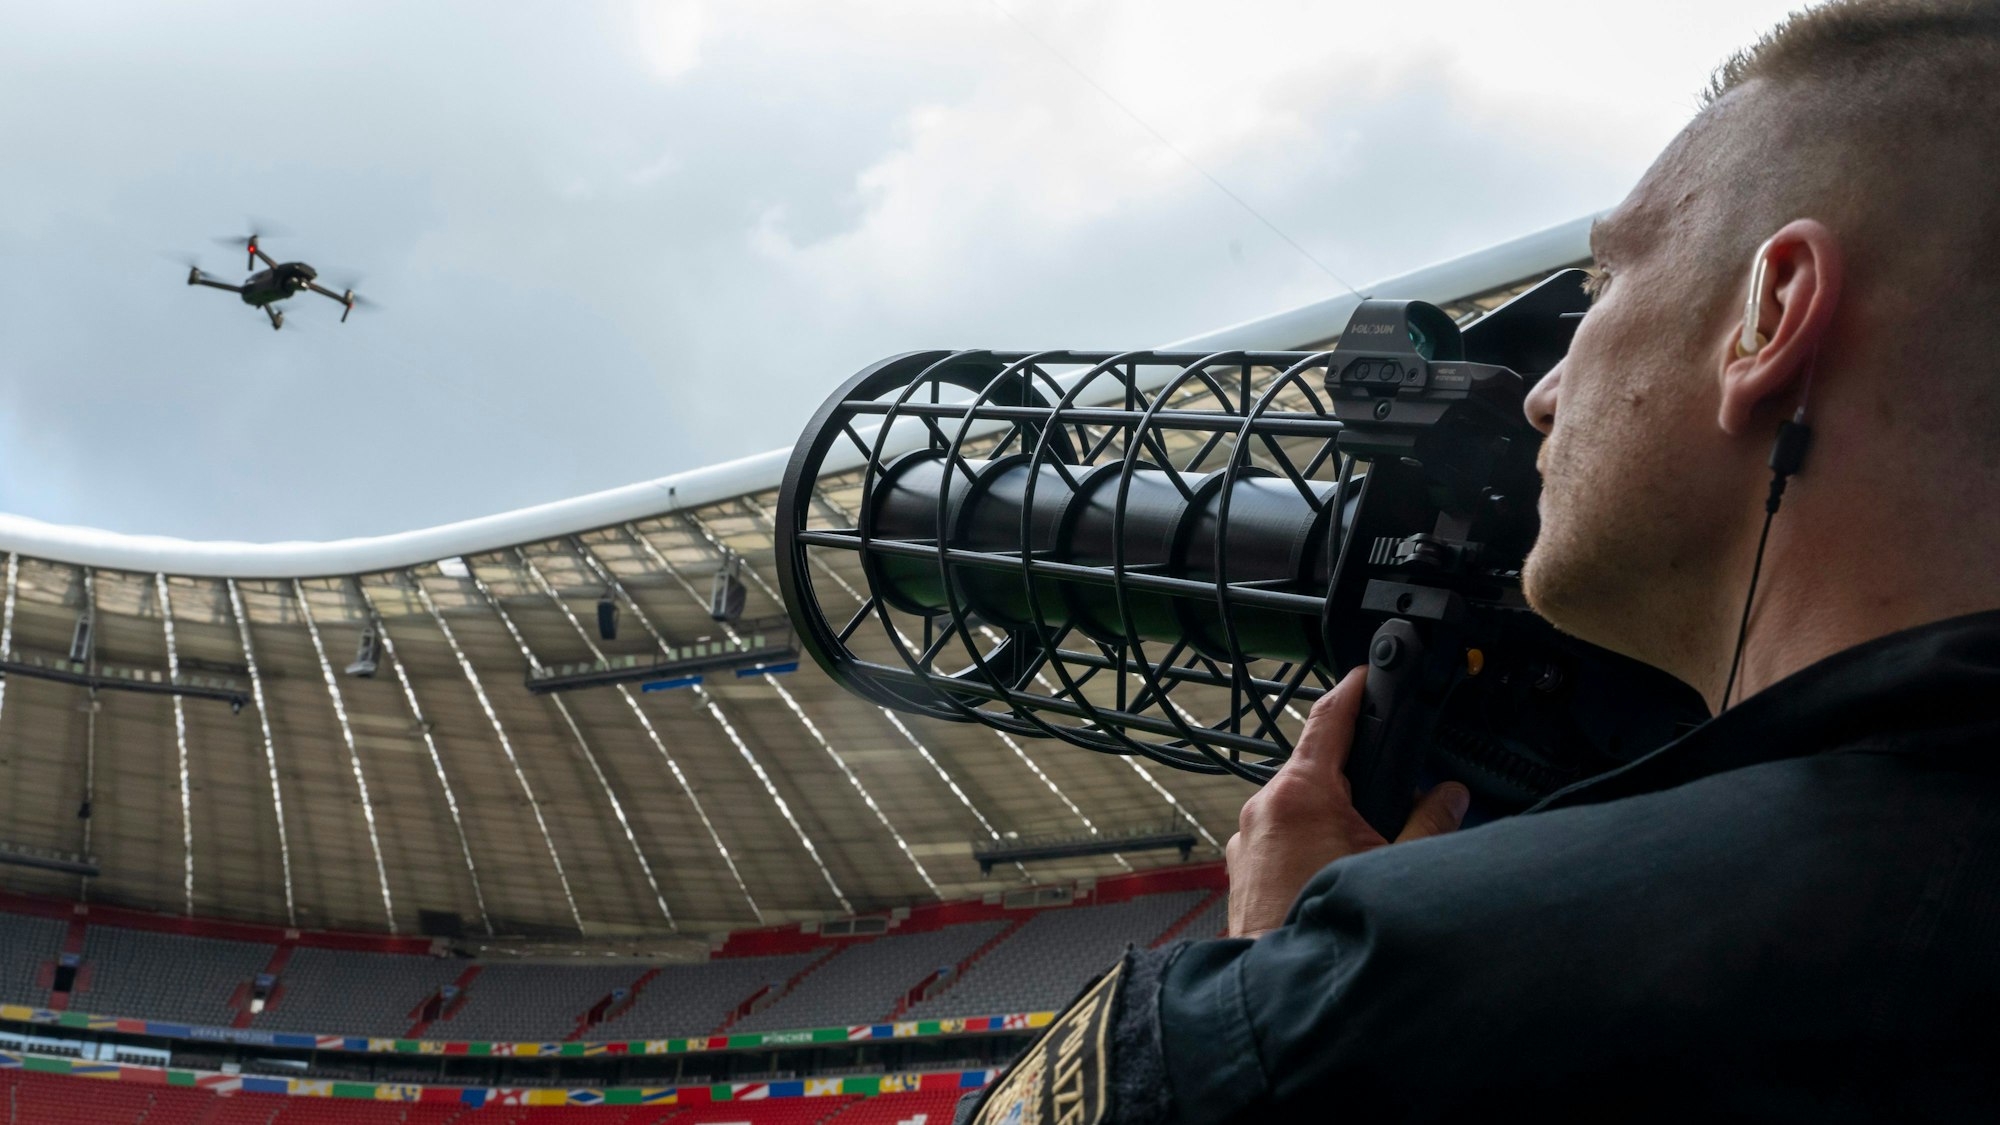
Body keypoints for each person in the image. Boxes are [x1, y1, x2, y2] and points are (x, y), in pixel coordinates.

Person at [959, 1, 2000, 1120]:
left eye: (1601, 287)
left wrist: (1275, 990)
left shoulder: (1402, 991)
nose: (1542, 394)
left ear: (1770, 315)